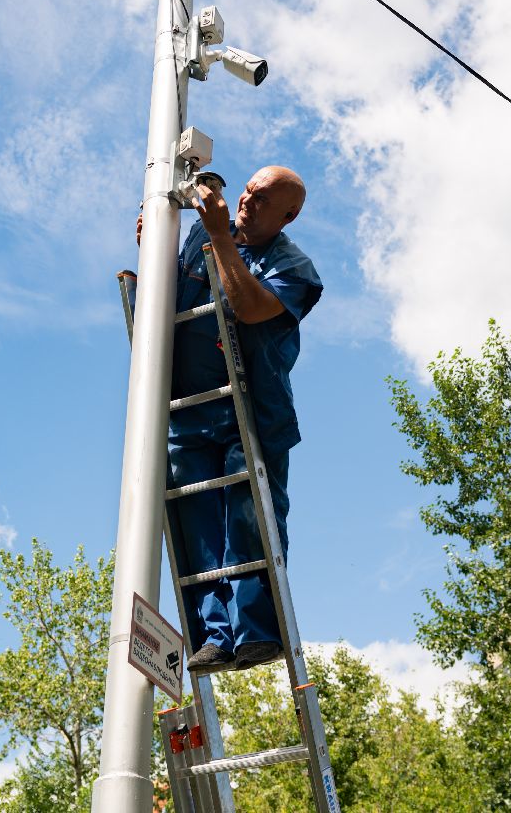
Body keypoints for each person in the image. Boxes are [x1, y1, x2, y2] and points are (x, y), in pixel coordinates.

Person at [148, 165, 323, 674]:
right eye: (248, 189)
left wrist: (223, 237)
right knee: (198, 526)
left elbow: (247, 308)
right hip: (187, 411)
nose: (249, 200)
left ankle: (255, 634)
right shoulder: (203, 231)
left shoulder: (295, 269)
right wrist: (152, 247)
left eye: (263, 198)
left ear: (289, 216)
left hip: (248, 413)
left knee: (246, 523)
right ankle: (214, 636)